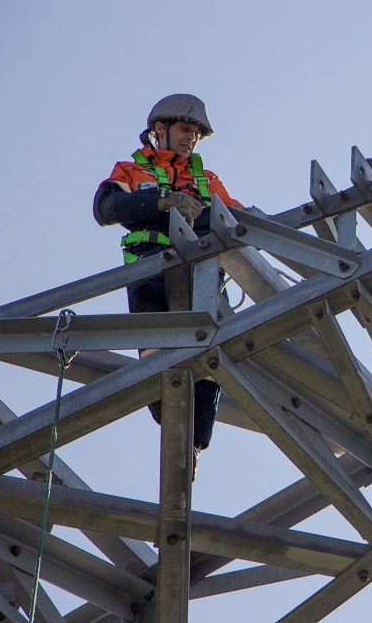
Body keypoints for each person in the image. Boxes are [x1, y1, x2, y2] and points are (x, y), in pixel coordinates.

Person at [93, 94, 244, 479]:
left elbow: (240, 220)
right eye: (184, 129)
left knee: (209, 353)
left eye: (196, 132)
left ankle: (193, 444)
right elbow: (106, 208)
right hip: (150, 269)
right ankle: (169, 420)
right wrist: (159, 204)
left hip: (202, 273)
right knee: (158, 352)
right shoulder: (131, 170)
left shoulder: (208, 181)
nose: (191, 138)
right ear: (159, 130)